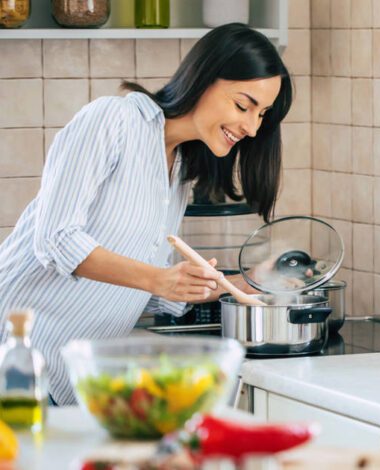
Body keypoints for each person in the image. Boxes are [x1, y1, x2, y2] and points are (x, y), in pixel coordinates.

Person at [0, 23, 293, 405]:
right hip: (14, 360)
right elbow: (56, 240)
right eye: (243, 106)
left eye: (262, 115)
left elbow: (145, 292)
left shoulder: (179, 171)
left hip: (68, 380)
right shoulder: (114, 120)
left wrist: (243, 283)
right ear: (204, 78)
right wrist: (159, 279)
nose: (252, 128)